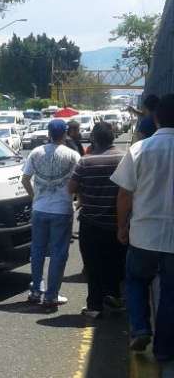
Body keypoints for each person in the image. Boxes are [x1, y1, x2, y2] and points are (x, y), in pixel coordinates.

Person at [111, 93, 174, 365]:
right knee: (171, 295)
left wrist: (122, 226)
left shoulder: (139, 149)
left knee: (136, 280)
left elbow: (124, 195)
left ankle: (139, 328)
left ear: (156, 117)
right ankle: (164, 349)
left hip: (143, 234)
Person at [68, 122, 126, 319]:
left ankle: (94, 306)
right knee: (116, 263)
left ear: (93, 139)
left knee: (93, 266)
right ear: (112, 137)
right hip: (117, 223)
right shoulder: (124, 158)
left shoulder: (85, 162)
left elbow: (71, 188)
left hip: (91, 223)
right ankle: (115, 298)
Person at [22, 119, 81, 309]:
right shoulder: (72, 155)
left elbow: (25, 180)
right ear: (65, 134)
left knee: (37, 250)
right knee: (58, 253)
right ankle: (51, 295)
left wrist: (35, 197)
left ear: (48, 133)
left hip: (40, 209)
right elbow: (79, 182)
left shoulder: (36, 152)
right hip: (62, 209)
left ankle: (35, 290)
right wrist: (77, 202)